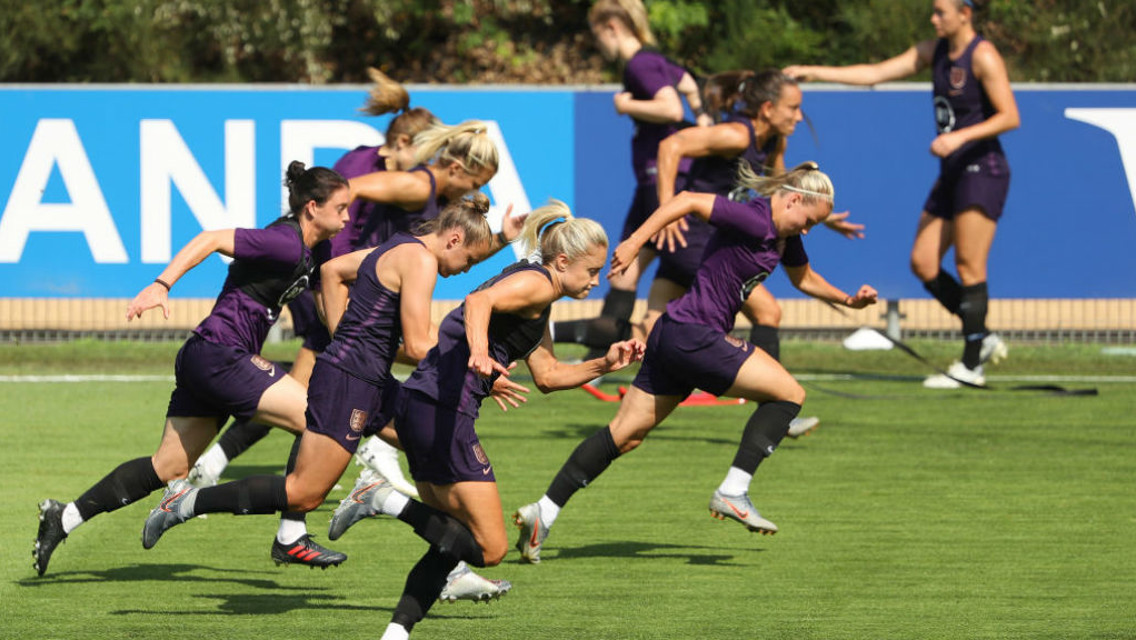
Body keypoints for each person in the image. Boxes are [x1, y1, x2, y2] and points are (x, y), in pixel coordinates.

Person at [140, 194, 521, 601]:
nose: (464, 270)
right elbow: (416, 343)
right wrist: (476, 364)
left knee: (432, 445)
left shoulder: (399, 246)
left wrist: (343, 334)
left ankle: (449, 566)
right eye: (468, 260)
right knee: (304, 492)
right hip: (349, 382)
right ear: (454, 239)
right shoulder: (421, 260)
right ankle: (187, 501)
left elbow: (333, 270)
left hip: (368, 377)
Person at [513, 162, 878, 564]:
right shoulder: (755, 219)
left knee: (624, 436)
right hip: (695, 335)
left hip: (673, 334)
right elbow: (686, 200)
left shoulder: (784, 235)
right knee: (789, 394)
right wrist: (634, 243)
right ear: (793, 200)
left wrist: (849, 300)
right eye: (809, 221)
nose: (807, 231)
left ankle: (543, 512)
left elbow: (804, 278)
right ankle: (733, 490)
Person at [323, 201, 646, 639]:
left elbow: (548, 376)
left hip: (424, 406)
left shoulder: (536, 293)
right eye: (591, 271)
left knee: (451, 540)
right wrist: (478, 352)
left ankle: (396, 632)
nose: (596, 280)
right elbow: (479, 301)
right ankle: (381, 498)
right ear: (562, 262)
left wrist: (604, 364)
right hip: (443, 411)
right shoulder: (536, 285)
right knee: (490, 548)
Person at [32, 161, 351, 577]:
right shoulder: (284, 242)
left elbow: (330, 311)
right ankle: (291, 534)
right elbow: (211, 238)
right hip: (221, 354)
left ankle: (63, 517)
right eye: (341, 208)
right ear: (312, 207)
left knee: (168, 468)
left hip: (207, 357)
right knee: (316, 420)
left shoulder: (317, 249)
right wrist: (161, 284)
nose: (348, 217)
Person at [188, 69, 442, 499]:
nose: (422, 170)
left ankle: (216, 465)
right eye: (423, 156)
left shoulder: (374, 164)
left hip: (333, 282)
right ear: (403, 143)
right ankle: (365, 457)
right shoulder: (362, 169)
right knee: (332, 383)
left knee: (307, 387)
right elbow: (331, 247)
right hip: (323, 282)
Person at [784, 0, 1017, 388]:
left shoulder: (984, 55)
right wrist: (814, 71)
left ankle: (972, 363)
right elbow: (875, 72)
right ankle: (983, 335)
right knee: (923, 262)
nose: (933, 18)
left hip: (982, 169)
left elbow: (1010, 115)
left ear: (965, 13)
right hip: (952, 172)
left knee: (969, 265)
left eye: (941, 11)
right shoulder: (933, 51)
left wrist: (959, 137)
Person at [649, 68, 866, 436]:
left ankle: (552, 333)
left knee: (642, 326)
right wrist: (666, 212)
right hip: (694, 237)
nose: (799, 116)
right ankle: (779, 407)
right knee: (768, 311)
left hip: (710, 241)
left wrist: (824, 218)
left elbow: (784, 191)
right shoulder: (736, 134)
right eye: (793, 108)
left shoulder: (774, 141)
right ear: (767, 108)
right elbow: (670, 146)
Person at [551, 0, 709, 358]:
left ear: (612, 27)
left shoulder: (639, 63)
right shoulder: (656, 58)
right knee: (624, 269)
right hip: (650, 181)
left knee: (693, 268)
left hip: (662, 179)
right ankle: (599, 360)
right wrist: (703, 123)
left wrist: (626, 105)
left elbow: (671, 107)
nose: (599, 45)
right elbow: (689, 85)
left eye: (597, 36)